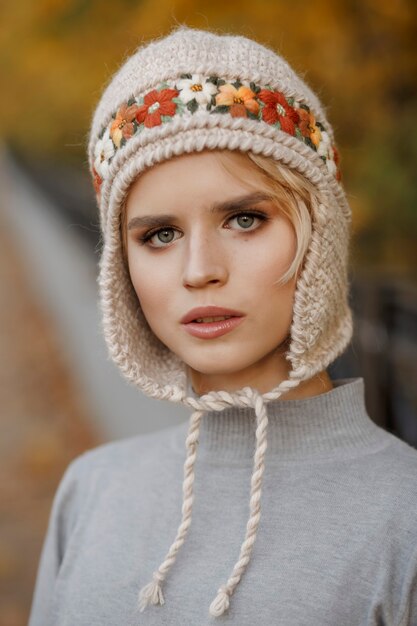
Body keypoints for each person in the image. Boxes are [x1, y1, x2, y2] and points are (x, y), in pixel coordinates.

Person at [28, 26, 417, 625]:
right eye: (159, 235)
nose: (200, 271)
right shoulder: (91, 491)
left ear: (322, 233)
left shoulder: (404, 514)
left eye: (243, 219)